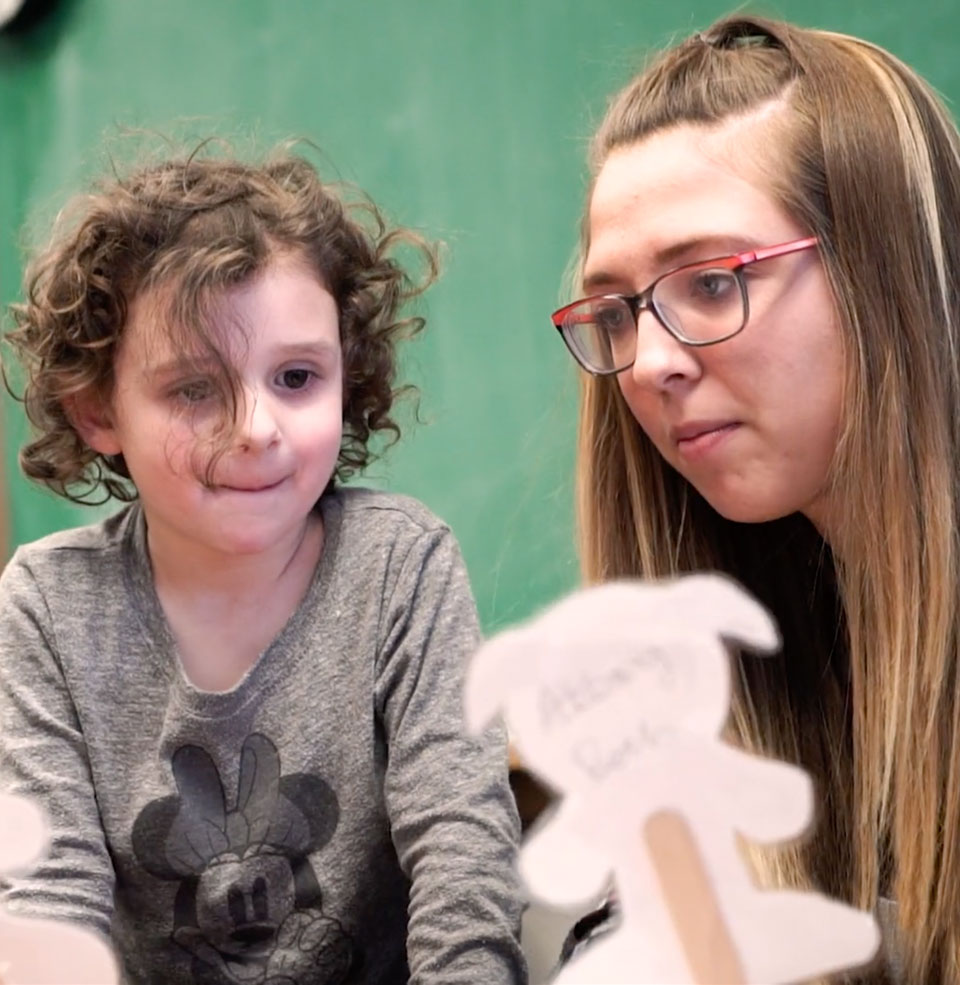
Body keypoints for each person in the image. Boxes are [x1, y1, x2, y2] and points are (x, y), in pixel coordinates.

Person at [0, 147, 526, 985]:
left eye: (295, 376)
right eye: (194, 389)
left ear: (346, 377)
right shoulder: (48, 603)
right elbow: (49, 904)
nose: (256, 427)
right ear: (97, 408)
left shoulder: (402, 565)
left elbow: (463, 856)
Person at [549, 13, 960, 984]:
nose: (648, 364)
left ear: (882, 268)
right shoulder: (743, 654)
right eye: (618, 309)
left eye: (711, 281)